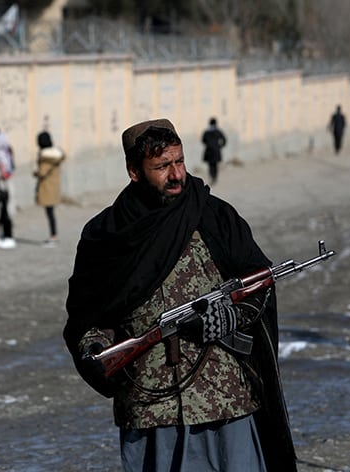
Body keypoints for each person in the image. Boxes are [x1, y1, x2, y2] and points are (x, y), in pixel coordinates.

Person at [64, 119, 297, 471]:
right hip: (149, 405)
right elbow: (89, 314)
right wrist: (95, 348)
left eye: (180, 162)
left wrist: (231, 316)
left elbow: (259, 283)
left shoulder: (215, 216)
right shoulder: (107, 236)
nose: (176, 175)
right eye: (162, 166)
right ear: (134, 171)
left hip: (223, 398)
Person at [34, 131, 65, 247]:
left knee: (50, 213)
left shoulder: (45, 157)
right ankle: (54, 235)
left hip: (47, 188)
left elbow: (42, 172)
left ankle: (53, 236)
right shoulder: (56, 154)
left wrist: (36, 173)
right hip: (55, 187)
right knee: (51, 213)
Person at [201, 117, 226, 185]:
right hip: (216, 151)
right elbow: (224, 140)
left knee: (210, 165)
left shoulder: (206, 132)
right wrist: (219, 146)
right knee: (215, 165)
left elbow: (203, 140)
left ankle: (212, 176)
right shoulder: (218, 131)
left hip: (209, 151)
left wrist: (209, 144)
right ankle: (214, 177)